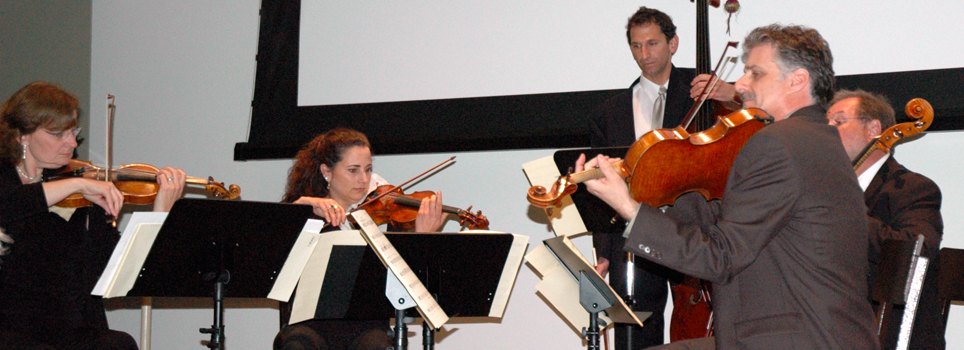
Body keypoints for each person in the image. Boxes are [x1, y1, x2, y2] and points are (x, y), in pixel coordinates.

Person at [577, 24, 879, 349]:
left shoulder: (778, 144)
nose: (741, 84)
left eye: (755, 73)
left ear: (798, 80)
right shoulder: (818, 138)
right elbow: (723, 215)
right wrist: (640, 190)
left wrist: (629, 208)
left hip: (794, 337)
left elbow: (719, 258)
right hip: (816, 331)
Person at [0, 81, 187, 350]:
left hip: (71, 328)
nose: (73, 143)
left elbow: (112, 273)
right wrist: (76, 185)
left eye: (73, 131)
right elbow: (11, 204)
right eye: (58, 134)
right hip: (13, 327)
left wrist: (161, 211)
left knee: (119, 344)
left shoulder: (86, 190)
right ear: (22, 136)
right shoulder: (8, 180)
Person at [274, 127, 445, 350]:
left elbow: (405, 286)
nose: (364, 180)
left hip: (366, 328)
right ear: (327, 172)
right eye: (353, 170)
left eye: (368, 170)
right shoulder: (306, 215)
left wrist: (422, 238)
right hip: (310, 327)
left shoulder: (377, 220)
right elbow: (271, 242)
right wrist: (301, 206)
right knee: (299, 345)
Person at [828, 89, 945, 349]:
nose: (827, 132)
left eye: (838, 122)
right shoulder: (825, 190)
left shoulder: (912, 188)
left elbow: (916, 251)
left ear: (874, 128)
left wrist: (845, 211)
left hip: (886, 334)